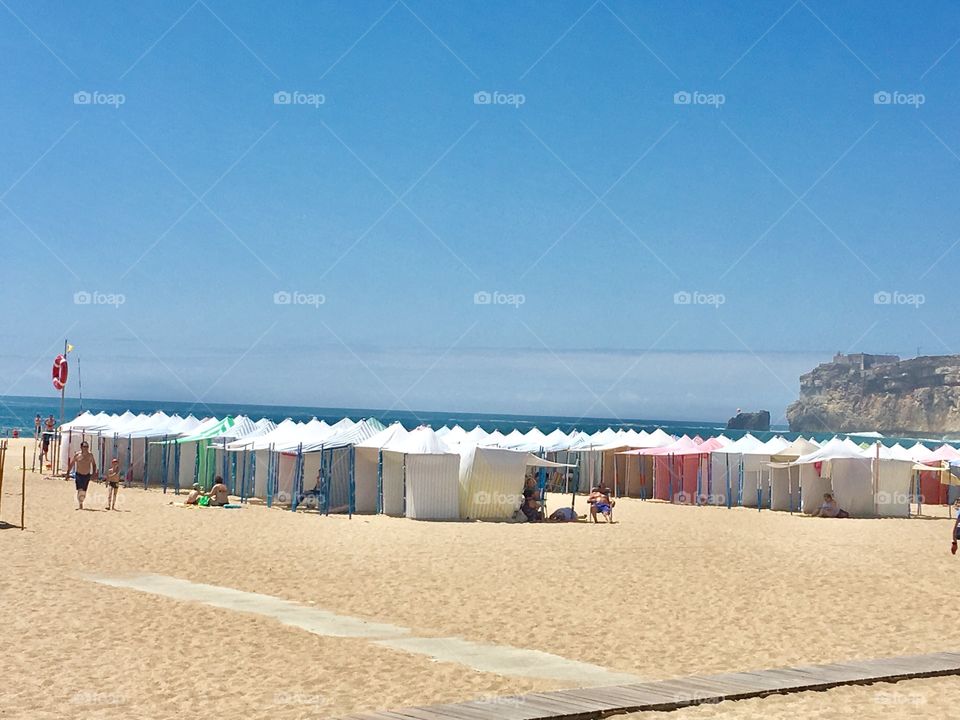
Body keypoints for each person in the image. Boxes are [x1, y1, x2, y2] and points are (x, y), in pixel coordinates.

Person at [66, 441, 98, 510]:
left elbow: (94, 464)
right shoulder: (77, 455)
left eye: (87, 447)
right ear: (81, 447)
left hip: (86, 475)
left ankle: (81, 501)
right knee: (80, 490)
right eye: (84, 447)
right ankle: (80, 504)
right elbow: (71, 464)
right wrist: (68, 473)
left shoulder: (90, 455)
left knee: (84, 491)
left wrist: (94, 474)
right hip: (79, 474)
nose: (86, 448)